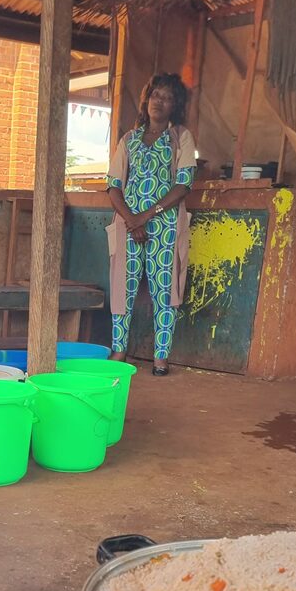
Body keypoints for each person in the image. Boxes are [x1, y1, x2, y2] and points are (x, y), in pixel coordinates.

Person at [106, 73, 196, 375]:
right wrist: (131, 219)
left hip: (166, 226)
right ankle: (120, 351)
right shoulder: (129, 140)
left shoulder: (180, 137)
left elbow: (183, 185)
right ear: (147, 100)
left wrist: (145, 216)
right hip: (129, 224)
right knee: (124, 288)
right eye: (156, 95)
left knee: (164, 290)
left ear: (175, 106)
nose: (160, 101)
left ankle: (161, 357)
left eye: (167, 97)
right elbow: (114, 185)